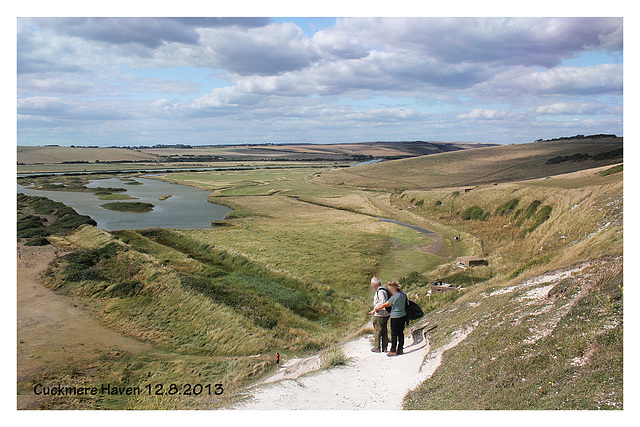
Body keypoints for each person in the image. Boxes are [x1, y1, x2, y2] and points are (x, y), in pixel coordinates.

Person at [370, 281, 407, 357]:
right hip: (403, 315)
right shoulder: (403, 294)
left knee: (394, 334)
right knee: (400, 333)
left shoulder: (395, 296)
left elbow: (385, 304)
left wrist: (375, 309)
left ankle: (393, 350)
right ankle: (400, 349)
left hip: (395, 316)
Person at [368, 277, 390, 353]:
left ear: (376, 284)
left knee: (378, 330)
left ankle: (377, 347)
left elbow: (382, 301)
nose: (371, 286)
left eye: (372, 284)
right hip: (385, 314)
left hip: (380, 314)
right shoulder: (383, 290)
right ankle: (384, 347)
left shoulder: (380, 291)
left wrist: (375, 309)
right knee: (384, 330)